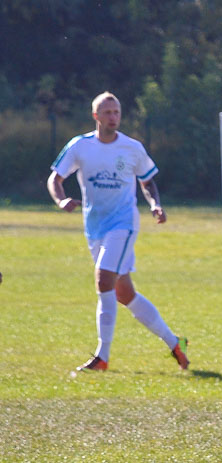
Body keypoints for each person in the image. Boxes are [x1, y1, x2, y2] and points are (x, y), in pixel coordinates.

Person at [47, 91, 189, 372]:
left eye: (117, 112)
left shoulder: (132, 148)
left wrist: (155, 205)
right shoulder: (80, 146)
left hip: (123, 224)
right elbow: (56, 178)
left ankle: (103, 356)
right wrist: (61, 200)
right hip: (94, 226)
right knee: (124, 294)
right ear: (96, 116)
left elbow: (147, 181)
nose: (114, 117)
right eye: (108, 112)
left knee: (103, 279)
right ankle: (175, 343)